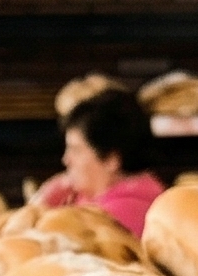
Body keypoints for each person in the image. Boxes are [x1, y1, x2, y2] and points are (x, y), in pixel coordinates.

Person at [32, 88, 164, 235]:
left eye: (76, 150)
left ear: (111, 160)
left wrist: (39, 208)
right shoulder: (81, 199)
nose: (66, 160)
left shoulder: (120, 215)